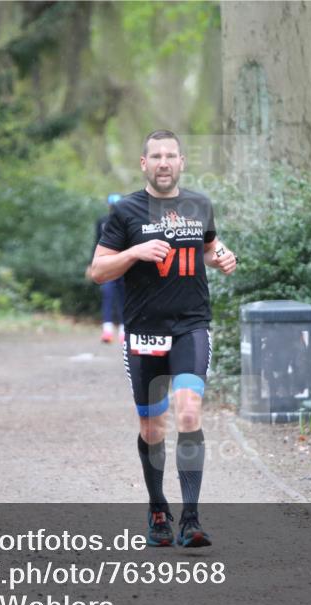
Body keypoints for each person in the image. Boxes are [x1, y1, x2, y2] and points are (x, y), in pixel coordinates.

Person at [90, 130, 237, 547]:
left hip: (191, 325)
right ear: (144, 164)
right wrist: (134, 253)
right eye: (155, 156)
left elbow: (207, 247)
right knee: (153, 427)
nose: (164, 162)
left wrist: (222, 256)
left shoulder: (199, 205)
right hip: (144, 333)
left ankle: (191, 519)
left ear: (182, 162)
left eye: (171, 155)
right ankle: (158, 508)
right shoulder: (126, 212)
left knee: (189, 412)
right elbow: (99, 271)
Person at [91, 194, 126, 343]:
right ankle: (107, 330)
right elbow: (97, 243)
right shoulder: (102, 221)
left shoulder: (128, 220)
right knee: (107, 294)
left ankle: (125, 329)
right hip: (108, 265)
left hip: (125, 265)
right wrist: (91, 263)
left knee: (125, 297)